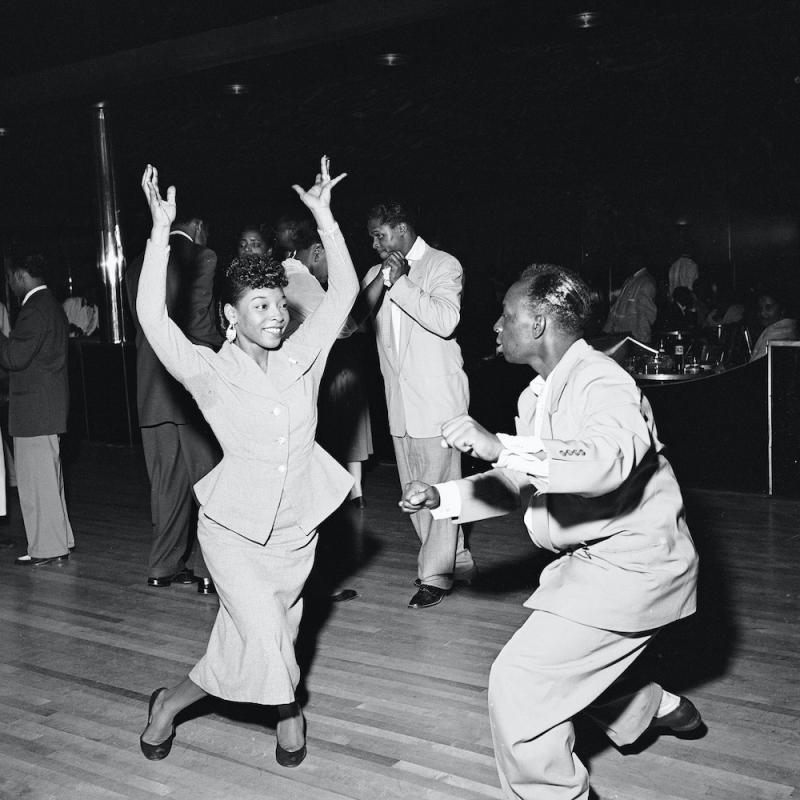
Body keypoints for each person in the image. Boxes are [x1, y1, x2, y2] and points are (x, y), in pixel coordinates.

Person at [401, 263, 702, 800]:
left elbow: (604, 461)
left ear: (539, 322)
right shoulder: (536, 395)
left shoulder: (604, 380)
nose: (495, 326)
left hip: (633, 568)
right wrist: (443, 497)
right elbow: (523, 478)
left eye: (506, 315)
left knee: (520, 686)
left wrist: (501, 445)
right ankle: (651, 706)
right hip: (590, 565)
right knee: (561, 669)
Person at [137, 156, 357, 767]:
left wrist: (325, 220)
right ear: (232, 317)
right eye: (259, 305)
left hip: (296, 531)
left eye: (278, 304)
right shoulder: (209, 371)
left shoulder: (303, 357)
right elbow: (153, 318)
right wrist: (160, 237)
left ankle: (168, 705)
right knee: (265, 639)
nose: (276, 315)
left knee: (250, 645)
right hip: (234, 532)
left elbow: (343, 293)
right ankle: (290, 714)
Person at [358, 201, 475, 609]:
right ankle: (454, 560)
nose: (374, 244)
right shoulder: (375, 274)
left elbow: (446, 321)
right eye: (372, 236)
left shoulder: (443, 264)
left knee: (438, 491)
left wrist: (402, 283)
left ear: (403, 228)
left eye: (380, 234)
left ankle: (436, 575)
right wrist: (382, 281)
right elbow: (354, 323)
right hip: (400, 404)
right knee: (414, 494)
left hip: (438, 402)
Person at [126, 207, 222, 593]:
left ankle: (162, 566)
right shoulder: (203, 256)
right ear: (198, 227)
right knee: (210, 480)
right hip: (190, 387)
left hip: (151, 388)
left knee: (165, 484)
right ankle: (208, 572)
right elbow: (200, 323)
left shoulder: (137, 263)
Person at [293, 219, 372, 507]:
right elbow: (343, 327)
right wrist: (377, 283)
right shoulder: (301, 280)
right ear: (317, 251)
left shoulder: (286, 273)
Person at [0, 254, 73, 565]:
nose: (9, 284)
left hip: (34, 411)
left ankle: (48, 548)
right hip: (46, 409)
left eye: (10, 277)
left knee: (36, 483)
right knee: (48, 482)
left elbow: (14, 357)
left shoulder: (34, 309)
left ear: (20, 275)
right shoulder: (50, 304)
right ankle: (59, 540)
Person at [602, 258, 657, 343]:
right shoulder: (630, 280)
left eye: (629, 259)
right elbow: (616, 308)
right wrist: (607, 331)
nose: (625, 263)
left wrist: (643, 343)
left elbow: (645, 316)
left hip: (633, 340)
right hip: (620, 338)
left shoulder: (646, 282)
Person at [749, 289, 797, 361]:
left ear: (782, 310)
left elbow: (756, 368)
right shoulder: (791, 328)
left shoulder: (779, 332)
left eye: (768, 308)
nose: (762, 313)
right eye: (759, 309)